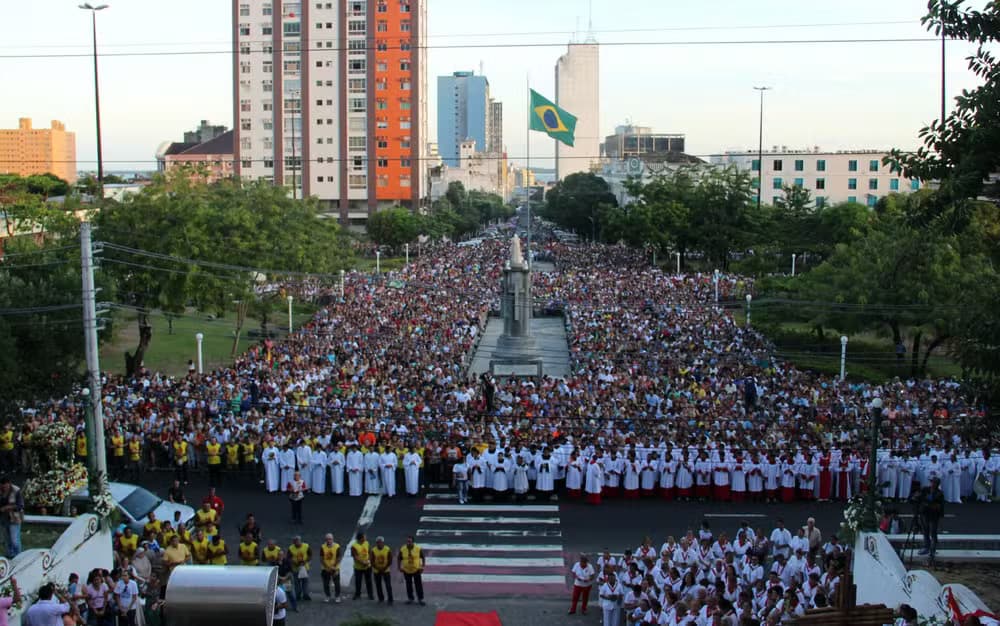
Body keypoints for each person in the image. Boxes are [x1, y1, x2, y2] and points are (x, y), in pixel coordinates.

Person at [919, 476, 945, 558]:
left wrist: (929, 505)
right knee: (925, 531)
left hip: (933, 516)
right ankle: (926, 547)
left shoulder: (939, 493)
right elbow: (921, 498)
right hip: (925, 514)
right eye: (932, 482)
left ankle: (932, 550)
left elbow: (939, 506)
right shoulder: (926, 490)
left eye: (934, 482)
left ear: (937, 484)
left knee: (933, 533)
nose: (932, 484)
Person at [398, 535, 425, 606]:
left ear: (413, 542)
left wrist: (423, 566)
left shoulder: (418, 548)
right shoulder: (403, 549)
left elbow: (423, 557)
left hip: (416, 570)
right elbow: (399, 558)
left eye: (410, 542)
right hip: (406, 570)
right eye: (407, 541)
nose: (408, 543)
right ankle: (410, 598)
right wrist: (399, 567)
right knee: (408, 585)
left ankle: (420, 599)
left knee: (418, 585)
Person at [0, 477, 23, 558]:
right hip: (3, 519)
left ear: (9, 484)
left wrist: (7, 508)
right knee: (7, 541)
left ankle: (19, 556)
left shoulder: (16, 491)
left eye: (6, 486)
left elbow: (20, 506)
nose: (4, 488)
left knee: (15, 541)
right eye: (2, 486)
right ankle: (9, 557)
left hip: (14, 519)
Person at [320, 533, 343, 603]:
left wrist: (333, 566)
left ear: (332, 539)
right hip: (325, 568)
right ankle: (327, 596)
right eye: (327, 539)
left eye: (330, 539)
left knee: (337, 583)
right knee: (326, 583)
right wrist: (327, 567)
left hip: (335, 568)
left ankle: (337, 596)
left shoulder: (337, 546)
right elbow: (321, 558)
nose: (328, 540)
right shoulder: (323, 547)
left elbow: (338, 557)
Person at [351, 531, 374, 600]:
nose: (366, 537)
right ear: (361, 538)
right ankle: (357, 594)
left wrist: (368, 561)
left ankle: (370, 595)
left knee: (369, 581)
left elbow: (370, 552)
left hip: (367, 566)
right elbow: (355, 556)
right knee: (358, 581)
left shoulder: (366, 543)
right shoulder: (354, 546)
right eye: (364, 536)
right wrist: (363, 562)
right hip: (358, 567)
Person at [289, 535, 312, 601]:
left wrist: (305, 561)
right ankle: (298, 595)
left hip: (305, 567)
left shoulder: (306, 546)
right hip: (295, 568)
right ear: (293, 542)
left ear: (300, 541)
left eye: (298, 541)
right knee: (297, 582)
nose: (297, 543)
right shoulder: (291, 548)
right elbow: (289, 558)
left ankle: (305, 594)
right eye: (295, 541)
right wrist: (294, 562)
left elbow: (310, 555)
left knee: (305, 582)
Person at [371, 536, 394, 605]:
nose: (379, 544)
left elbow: (390, 560)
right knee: (378, 585)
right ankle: (381, 598)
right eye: (378, 542)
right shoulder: (373, 550)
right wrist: (378, 569)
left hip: (386, 570)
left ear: (383, 543)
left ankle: (390, 599)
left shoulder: (387, 549)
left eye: (380, 542)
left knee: (388, 585)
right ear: (376, 543)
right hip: (377, 571)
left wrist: (384, 568)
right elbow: (372, 561)